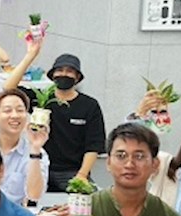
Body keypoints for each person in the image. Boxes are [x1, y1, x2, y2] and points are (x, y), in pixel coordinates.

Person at [6, 39, 106, 191]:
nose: (64, 74)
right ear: (52, 75)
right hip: (38, 164)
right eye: (59, 70)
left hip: (72, 171)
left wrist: (82, 175)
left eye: (69, 71)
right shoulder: (41, 98)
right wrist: (30, 56)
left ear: (77, 77)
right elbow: (8, 88)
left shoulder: (90, 105)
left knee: (82, 201)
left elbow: (94, 145)